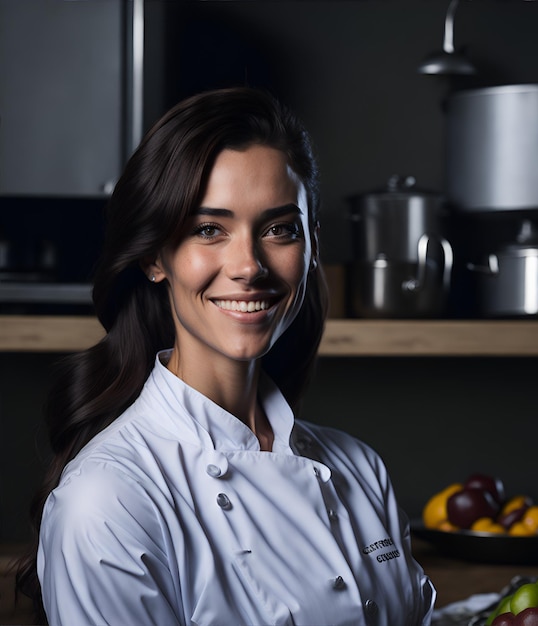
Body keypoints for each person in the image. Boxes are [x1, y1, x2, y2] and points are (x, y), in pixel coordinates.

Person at [16, 86, 435, 626]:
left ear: (309, 249)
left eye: (279, 229)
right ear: (153, 256)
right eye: (209, 229)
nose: (248, 265)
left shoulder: (359, 468)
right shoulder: (108, 501)